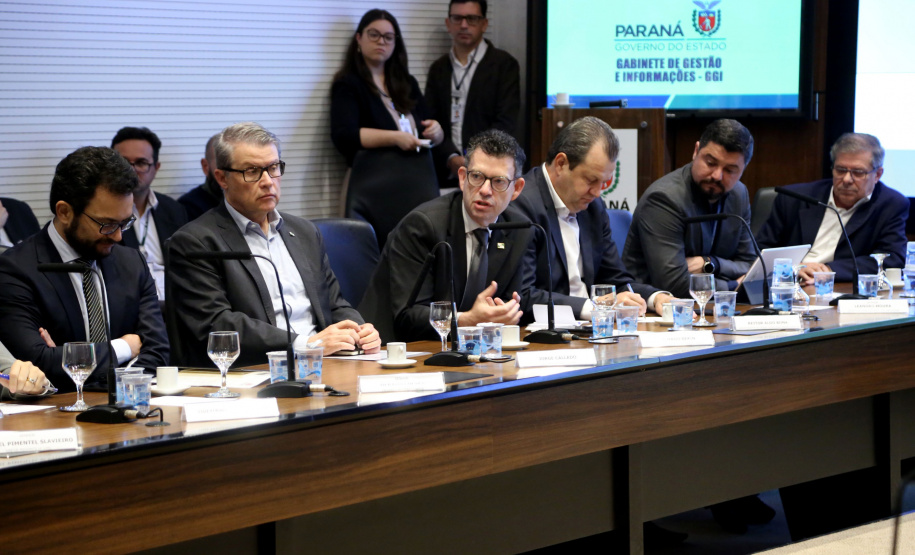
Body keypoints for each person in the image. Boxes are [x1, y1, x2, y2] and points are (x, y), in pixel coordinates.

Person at [167, 122, 381, 368]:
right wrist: (306, 344)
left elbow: (334, 303)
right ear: (222, 178)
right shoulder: (196, 241)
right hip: (255, 371)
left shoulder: (304, 232)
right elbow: (219, 324)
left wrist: (359, 330)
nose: (268, 181)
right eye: (251, 171)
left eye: (273, 168)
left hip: (326, 362)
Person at [0, 146, 169, 392]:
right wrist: (124, 347)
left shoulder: (132, 262)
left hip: (127, 408)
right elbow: (35, 364)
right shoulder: (17, 269)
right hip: (56, 418)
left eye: (125, 222)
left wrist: (73, 364)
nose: (119, 237)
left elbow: (157, 352)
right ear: (65, 212)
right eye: (108, 225)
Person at [360, 129, 531, 341]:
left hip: (469, 350)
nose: (485, 190)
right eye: (476, 176)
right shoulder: (423, 226)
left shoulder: (518, 229)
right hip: (397, 350)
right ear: (462, 178)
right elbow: (408, 317)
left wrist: (503, 313)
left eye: (498, 182)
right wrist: (468, 319)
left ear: (516, 189)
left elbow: (505, 303)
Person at [513, 116, 672, 319]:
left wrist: (655, 298)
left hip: (593, 331)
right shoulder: (521, 204)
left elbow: (616, 280)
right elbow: (523, 296)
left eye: (604, 182)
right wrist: (594, 307)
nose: (597, 192)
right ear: (561, 164)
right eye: (591, 180)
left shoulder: (593, 207)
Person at [330, 9, 445, 247]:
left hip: (414, 184)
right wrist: (395, 138)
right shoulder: (348, 84)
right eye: (374, 35)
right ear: (359, 39)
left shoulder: (407, 82)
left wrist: (437, 131)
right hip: (371, 186)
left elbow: (427, 126)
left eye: (388, 37)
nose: (381, 41)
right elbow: (345, 135)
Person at [623, 118, 757, 298]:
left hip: (709, 309)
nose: (717, 175)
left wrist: (710, 263)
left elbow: (750, 264)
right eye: (710, 163)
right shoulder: (664, 199)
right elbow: (675, 284)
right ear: (696, 151)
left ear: (743, 170)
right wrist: (733, 286)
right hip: (653, 310)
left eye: (730, 170)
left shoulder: (738, 195)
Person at [757, 132, 908, 283]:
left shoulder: (891, 204)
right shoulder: (794, 198)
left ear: (877, 174)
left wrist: (829, 270)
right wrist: (793, 267)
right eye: (841, 170)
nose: (847, 179)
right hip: (787, 284)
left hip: (839, 287)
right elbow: (760, 250)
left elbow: (892, 259)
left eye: (858, 172)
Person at [425, 0, 520, 190]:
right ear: (448, 23)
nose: (464, 25)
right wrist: (451, 158)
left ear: (484, 24)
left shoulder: (504, 65)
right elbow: (431, 121)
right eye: (457, 18)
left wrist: (473, 160)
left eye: (472, 19)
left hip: (490, 175)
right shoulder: (439, 68)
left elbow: (505, 123)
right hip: (446, 173)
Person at [111, 126, 188, 300]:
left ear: (156, 167)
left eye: (141, 163)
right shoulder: (104, 214)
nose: (132, 170)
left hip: (175, 306)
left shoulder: (174, 210)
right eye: (124, 162)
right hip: (128, 303)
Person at [178, 133, 224, 221]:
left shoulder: (247, 200)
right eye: (221, 163)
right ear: (206, 166)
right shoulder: (188, 206)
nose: (229, 171)